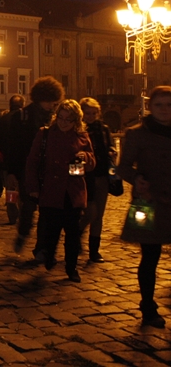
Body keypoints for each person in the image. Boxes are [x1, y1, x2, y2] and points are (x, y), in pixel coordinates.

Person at [118, 86, 171, 328]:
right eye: (159, 105)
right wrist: (137, 178)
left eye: (169, 105)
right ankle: (148, 307)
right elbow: (123, 167)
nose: (164, 110)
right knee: (150, 256)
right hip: (149, 201)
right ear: (150, 107)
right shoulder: (137, 134)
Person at [26, 100, 94, 283]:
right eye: (61, 118)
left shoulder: (82, 136)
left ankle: (71, 268)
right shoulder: (45, 134)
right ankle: (49, 255)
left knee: (72, 233)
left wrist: (86, 157)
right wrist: (33, 188)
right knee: (51, 229)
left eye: (68, 120)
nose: (63, 123)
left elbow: (92, 162)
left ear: (76, 121)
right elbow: (32, 162)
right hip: (51, 189)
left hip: (72, 190)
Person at [6, 76, 65, 258]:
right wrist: (12, 172)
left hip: (49, 172)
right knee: (29, 206)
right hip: (28, 170)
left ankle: (41, 248)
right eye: (50, 101)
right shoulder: (22, 116)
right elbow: (13, 146)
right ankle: (23, 233)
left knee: (46, 212)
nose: (52, 105)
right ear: (41, 98)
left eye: (54, 102)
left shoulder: (55, 118)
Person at [79, 97, 116, 263]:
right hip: (85, 177)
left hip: (102, 176)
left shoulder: (104, 129)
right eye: (88, 113)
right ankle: (77, 233)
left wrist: (112, 152)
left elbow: (109, 146)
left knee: (99, 215)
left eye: (94, 113)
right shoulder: (78, 130)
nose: (91, 116)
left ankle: (94, 251)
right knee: (90, 212)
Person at [0, 95, 26, 224]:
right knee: (23, 189)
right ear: (22, 105)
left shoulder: (3, 119)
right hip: (23, 161)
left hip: (7, 161)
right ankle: (24, 214)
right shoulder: (25, 118)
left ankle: (12, 213)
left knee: (11, 189)